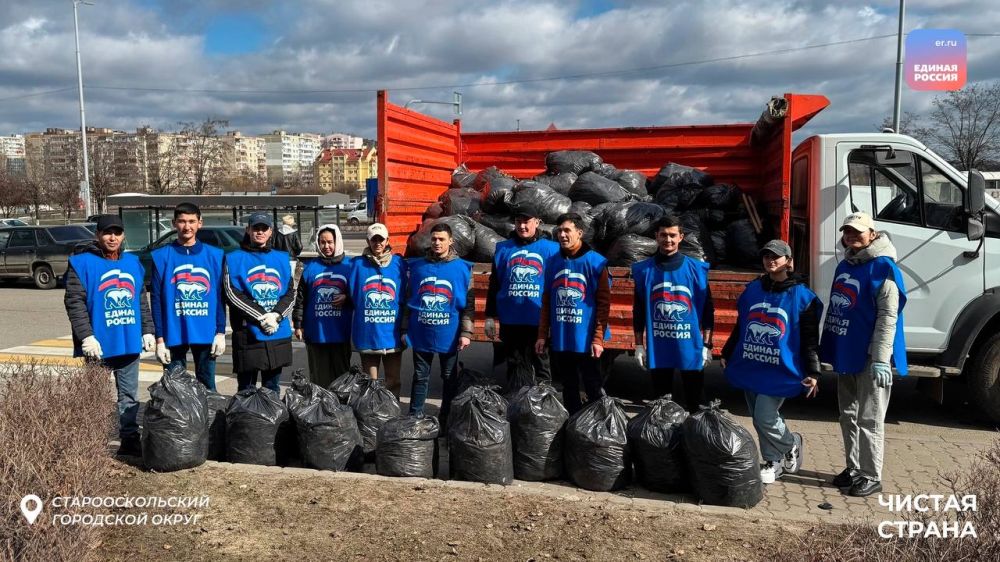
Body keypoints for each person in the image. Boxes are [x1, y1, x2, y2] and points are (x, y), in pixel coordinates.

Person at [721, 239, 823, 484]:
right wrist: (727, 351)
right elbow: (742, 326)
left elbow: (810, 339)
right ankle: (773, 461)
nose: (770, 260)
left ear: (788, 261)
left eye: (776, 256)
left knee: (765, 416)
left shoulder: (802, 296)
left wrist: (814, 371)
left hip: (781, 368)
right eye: (766, 256)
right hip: (753, 364)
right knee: (758, 417)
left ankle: (790, 444)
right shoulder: (754, 289)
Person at [820, 211, 907, 497]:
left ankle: (872, 475)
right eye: (847, 231)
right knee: (848, 414)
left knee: (869, 417)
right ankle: (854, 468)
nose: (852, 236)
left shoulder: (884, 268)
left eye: (858, 231)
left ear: (872, 234)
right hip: (847, 351)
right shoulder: (846, 264)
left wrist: (882, 358)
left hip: (871, 356)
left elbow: (887, 317)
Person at [64, 214, 155, 456]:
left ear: (123, 236)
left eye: (117, 232)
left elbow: (140, 300)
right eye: (107, 232)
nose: (112, 237)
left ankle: (129, 438)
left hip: (127, 342)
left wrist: (148, 330)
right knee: (94, 397)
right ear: (97, 235)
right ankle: (93, 440)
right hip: (98, 345)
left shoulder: (133, 263)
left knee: (129, 397)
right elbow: (75, 303)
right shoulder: (80, 263)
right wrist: (86, 336)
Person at [631, 215, 714, 413]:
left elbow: (708, 309)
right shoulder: (643, 270)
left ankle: (695, 441)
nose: (668, 240)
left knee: (696, 403)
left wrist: (707, 345)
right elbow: (639, 309)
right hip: (659, 345)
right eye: (663, 235)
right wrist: (639, 345)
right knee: (662, 404)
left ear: (681, 237)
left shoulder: (697, 269)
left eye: (672, 235)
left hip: (690, 345)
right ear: (656, 237)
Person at [535, 213, 611, 415]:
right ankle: (574, 427)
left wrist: (598, 339)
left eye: (567, 230)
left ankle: (598, 431)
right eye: (559, 231)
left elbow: (603, 305)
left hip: (586, 339)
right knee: (569, 386)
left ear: (579, 232)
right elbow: (547, 301)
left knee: (593, 385)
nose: (562, 235)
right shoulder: (552, 262)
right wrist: (542, 335)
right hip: (562, 338)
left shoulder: (596, 263)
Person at [149, 202, 227, 390]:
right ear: (174, 223)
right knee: (175, 389)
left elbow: (220, 297)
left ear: (200, 223)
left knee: (208, 386)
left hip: (206, 331)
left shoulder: (215, 255)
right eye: (182, 221)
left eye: (192, 221)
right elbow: (156, 299)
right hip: (173, 332)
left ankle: (211, 420)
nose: (187, 226)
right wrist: (159, 338)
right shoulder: (161, 256)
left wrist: (220, 332)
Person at [403, 223, 474, 425]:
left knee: (449, 377)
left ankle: (446, 419)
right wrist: (404, 328)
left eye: (441, 239)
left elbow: (468, 305)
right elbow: (409, 300)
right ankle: (414, 417)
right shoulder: (417, 267)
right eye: (434, 238)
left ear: (450, 241)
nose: (437, 242)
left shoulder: (463, 268)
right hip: (421, 332)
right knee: (420, 376)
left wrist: (466, 333)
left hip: (449, 334)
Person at [222, 212, 296, 393]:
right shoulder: (233, 258)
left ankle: (272, 421)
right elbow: (232, 294)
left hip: (277, 332)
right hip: (248, 332)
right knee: (246, 388)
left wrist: (276, 316)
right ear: (248, 230)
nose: (260, 232)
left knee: (272, 387)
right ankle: (247, 422)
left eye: (264, 228)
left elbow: (289, 293)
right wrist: (262, 317)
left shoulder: (281, 258)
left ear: (271, 231)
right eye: (256, 228)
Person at [485, 210, 560, 387]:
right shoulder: (503, 249)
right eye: (518, 222)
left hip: (538, 318)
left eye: (527, 222)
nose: (522, 226)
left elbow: (558, 284)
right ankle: (517, 401)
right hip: (511, 318)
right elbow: (495, 283)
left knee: (541, 361)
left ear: (538, 222)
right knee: (514, 362)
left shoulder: (552, 249)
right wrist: (489, 316)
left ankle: (543, 404)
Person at [293, 223, 353, 388]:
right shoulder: (310, 267)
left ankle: (341, 410)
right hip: (316, 333)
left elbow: (359, 296)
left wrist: (347, 298)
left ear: (337, 241)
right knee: (319, 377)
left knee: (342, 377)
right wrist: (298, 324)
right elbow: (300, 299)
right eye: (322, 242)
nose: (327, 246)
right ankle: (322, 410)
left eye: (330, 242)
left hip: (340, 332)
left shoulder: (349, 266)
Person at [350, 223, 407, 396]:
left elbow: (407, 294)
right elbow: (349, 290)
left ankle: (392, 412)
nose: (378, 243)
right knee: (370, 383)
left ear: (387, 240)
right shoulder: (356, 265)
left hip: (392, 334)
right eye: (374, 239)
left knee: (394, 380)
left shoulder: (399, 264)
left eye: (381, 239)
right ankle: (371, 416)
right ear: (368, 241)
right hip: (368, 334)